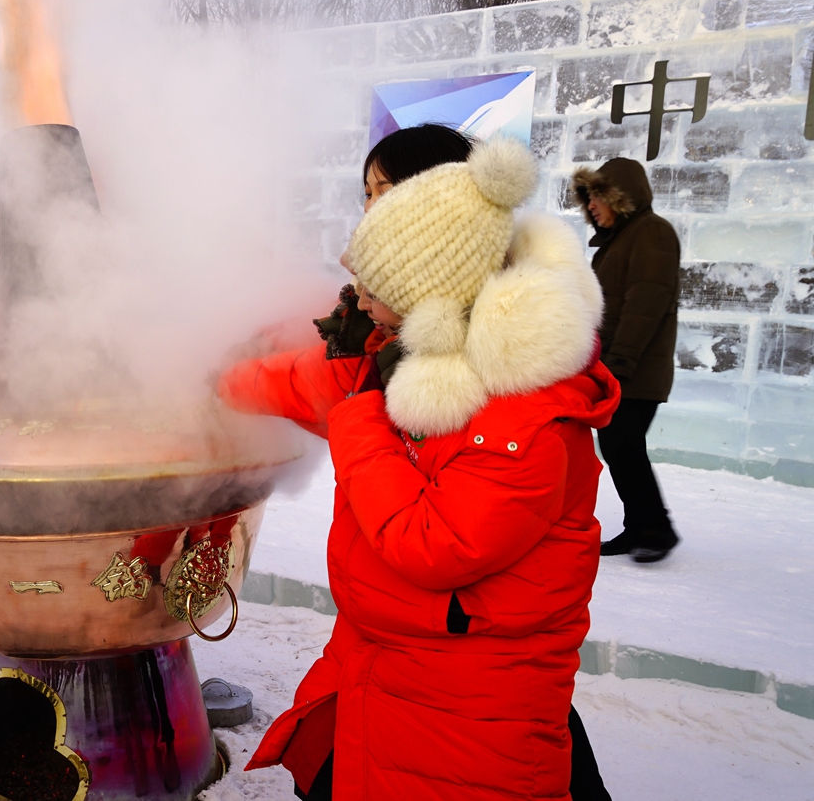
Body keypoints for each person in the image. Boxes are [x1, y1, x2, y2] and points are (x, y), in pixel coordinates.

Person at [221, 127, 618, 800]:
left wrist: (362, 421)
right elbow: (299, 381)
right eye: (369, 194)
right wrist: (203, 379)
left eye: (387, 192)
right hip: (384, 669)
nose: (369, 214)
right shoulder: (392, 352)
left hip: (464, 702)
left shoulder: (526, 404)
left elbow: (439, 544)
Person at [573, 158, 681, 563]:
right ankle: (639, 527)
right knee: (619, 447)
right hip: (619, 367)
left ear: (621, 196)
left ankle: (656, 530)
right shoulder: (619, 240)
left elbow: (644, 307)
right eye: (589, 197)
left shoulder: (652, 233)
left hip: (635, 370)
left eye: (599, 195)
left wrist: (618, 364)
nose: (592, 205)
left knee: (625, 446)